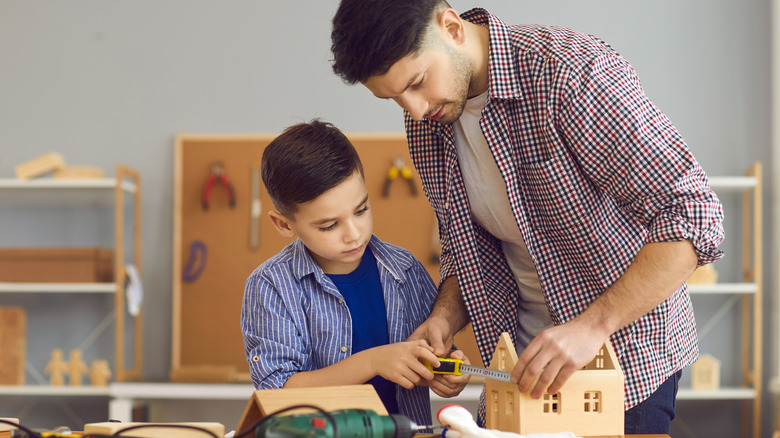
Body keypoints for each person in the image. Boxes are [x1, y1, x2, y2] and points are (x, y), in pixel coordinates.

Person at [330, 1, 725, 434]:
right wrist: (443, 319)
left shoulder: (571, 73)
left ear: (451, 27)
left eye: (418, 83)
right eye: (394, 99)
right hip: (518, 369)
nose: (415, 110)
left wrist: (591, 327)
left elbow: (694, 214)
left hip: (621, 361)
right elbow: (470, 251)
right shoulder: (430, 123)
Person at [241, 119, 470, 427]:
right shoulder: (270, 286)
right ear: (284, 224)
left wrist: (447, 370)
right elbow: (277, 392)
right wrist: (374, 362)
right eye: (329, 225)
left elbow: (433, 353)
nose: (354, 234)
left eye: (361, 210)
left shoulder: (404, 270)